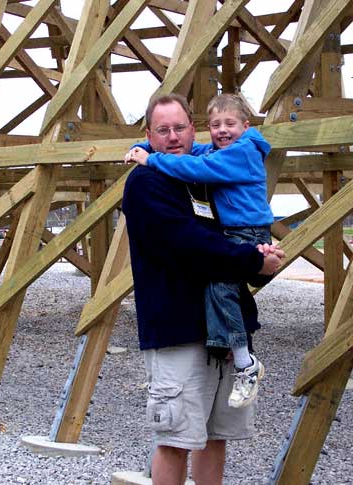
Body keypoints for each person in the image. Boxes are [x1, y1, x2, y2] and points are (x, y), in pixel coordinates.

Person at [122, 93, 284, 485]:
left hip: (224, 333)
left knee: (215, 437)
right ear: (149, 134)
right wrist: (249, 260)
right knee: (176, 439)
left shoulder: (202, 174)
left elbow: (233, 244)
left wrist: (261, 262)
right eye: (162, 130)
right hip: (178, 330)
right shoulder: (146, 183)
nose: (173, 136)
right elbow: (189, 245)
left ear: (194, 131)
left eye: (180, 127)